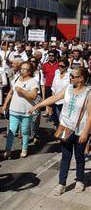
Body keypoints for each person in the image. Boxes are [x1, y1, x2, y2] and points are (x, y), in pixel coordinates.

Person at [30, 67, 91, 195]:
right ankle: (61, 183)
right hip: (65, 127)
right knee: (65, 156)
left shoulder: (89, 93)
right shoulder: (68, 88)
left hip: (80, 129)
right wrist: (39, 105)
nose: (70, 78)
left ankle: (79, 180)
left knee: (79, 156)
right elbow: (55, 98)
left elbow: (90, 115)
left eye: (73, 76)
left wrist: (86, 132)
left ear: (81, 78)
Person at [2, 61, 38, 158]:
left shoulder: (33, 81)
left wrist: (22, 91)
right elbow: (10, 92)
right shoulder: (17, 78)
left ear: (30, 71)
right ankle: (8, 150)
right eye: (21, 68)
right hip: (14, 109)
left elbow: (34, 96)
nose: (22, 71)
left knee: (25, 131)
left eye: (25, 69)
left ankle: (24, 149)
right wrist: (5, 104)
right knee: (12, 131)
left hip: (26, 111)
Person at [51, 58, 71, 127]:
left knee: (64, 119)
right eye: (58, 66)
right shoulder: (57, 75)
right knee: (56, 118)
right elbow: (53, 88)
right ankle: (58, 133)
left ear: (67, 67)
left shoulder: (70, 76)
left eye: (62, 66)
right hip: (56, 101)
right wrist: (52, 100)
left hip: (65, 101)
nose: (59, 67)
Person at [42, 50, 59, 118]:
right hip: (48, 85)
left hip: (56, 86)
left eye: (52, 55)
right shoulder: (45, 65)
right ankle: (48, 111)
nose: (51, 57)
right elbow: (43, 76)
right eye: (49, 56)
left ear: (55, 56)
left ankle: (53, 112)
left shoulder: (58, 65)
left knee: (54, 100)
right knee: (48, 99)